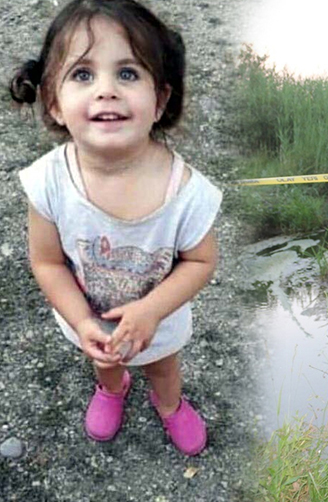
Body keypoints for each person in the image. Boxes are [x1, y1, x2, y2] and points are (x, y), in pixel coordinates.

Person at [10, 0, 221, 456]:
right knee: (103, 360)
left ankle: (168, 404)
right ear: (53, 101)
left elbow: (201, 260)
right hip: (91, 320)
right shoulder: (47, 181)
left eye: (128, 73)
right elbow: (46, 262)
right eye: (83, 75)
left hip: (158, 324)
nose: (106, 90)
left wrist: (150, 311)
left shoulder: (186, 192)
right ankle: (112, 389)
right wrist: (83, 321)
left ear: (160, 100)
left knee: (164, 368)